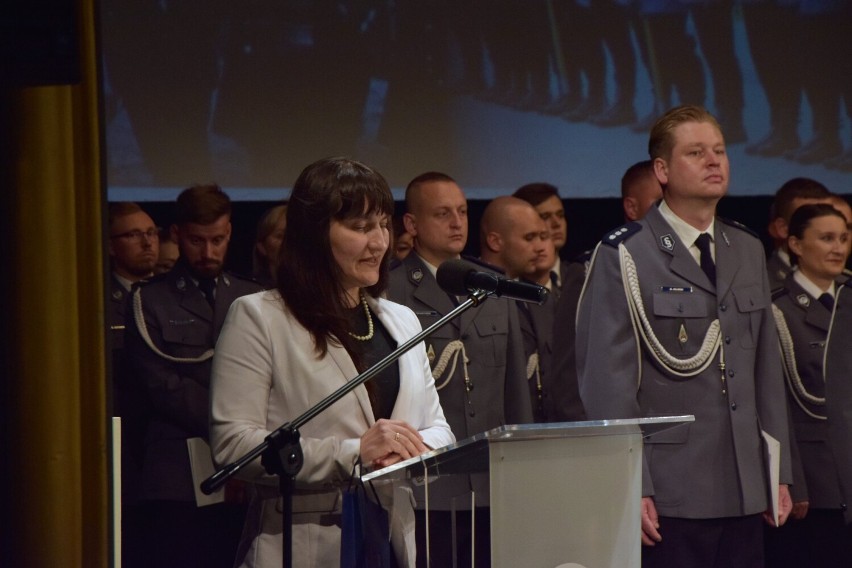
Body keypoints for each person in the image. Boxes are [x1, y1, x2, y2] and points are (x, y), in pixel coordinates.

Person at [575, 105, 793, 567]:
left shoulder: (747, 248)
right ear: (663, 170)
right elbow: (608, 385)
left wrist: (779, 472)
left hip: (745, 485)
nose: (714, 161)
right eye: (696, 152)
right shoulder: (625, 253)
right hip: (672, 491)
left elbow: (766, 372)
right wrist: (631, 484)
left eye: (719, 151)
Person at [209, 157, 454, 567]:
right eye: (360, 228)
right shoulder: (259, 317)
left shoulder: (401, 319)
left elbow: (439, 428)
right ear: (314, 235)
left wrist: (411, 450)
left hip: (390, 538)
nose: (379, 242)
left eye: (382, 225)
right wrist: (354, 452)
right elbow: (233, 447)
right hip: (302, 545)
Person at [388, 172, 532, 567]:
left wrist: (523, 471)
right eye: (442, 214)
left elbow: (515, 392)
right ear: (412, 225)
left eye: (463, 212)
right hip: (426, 487)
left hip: (491, 483)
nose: (457, 223)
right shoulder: (390, 290)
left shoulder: (493, 286)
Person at [124, 184, 263, 568]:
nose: (208, 252)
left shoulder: (253, 296)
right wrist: (230, 423)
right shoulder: (149, 299)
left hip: (246, 469)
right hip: (177, 473)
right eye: (197, 241)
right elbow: (161, 385)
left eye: (217, 240)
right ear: (177, 236)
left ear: (230, 232)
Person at [766, 204, 851, 568]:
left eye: (844, 239)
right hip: (818, 480)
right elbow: (776, 404)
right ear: (796, 245)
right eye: (827, 238)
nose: (838, 248)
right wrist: (792, 479)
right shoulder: (777, 310)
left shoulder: (848, 299)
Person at [106, 202, 159, 567]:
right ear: (111, 245)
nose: (147, 242)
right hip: (118, 434)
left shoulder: (168, 297)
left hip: (158, 435)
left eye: (151, 233)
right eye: (133, 234)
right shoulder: (94, 298)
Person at [480, 196, 554, 421]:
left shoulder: (534, 296)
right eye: (529, 237)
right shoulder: (472, 300)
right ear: (495, 242)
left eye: (542, 237)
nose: (540, 247)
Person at [765, 178, 833, 289]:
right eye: (810, 220)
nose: (826, 229)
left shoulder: (846, 282)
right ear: (783, 228)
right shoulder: (759, 282)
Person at [512, 182, 569, 287]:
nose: (556, 223)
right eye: (545, 216)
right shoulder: (510, 284)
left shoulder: (580, 277)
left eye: (560, 215)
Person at [252, 203, 287, 288]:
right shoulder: (248, 290)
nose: (288, 242)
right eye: (280, 236)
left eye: (293, 235)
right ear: (262, 247)